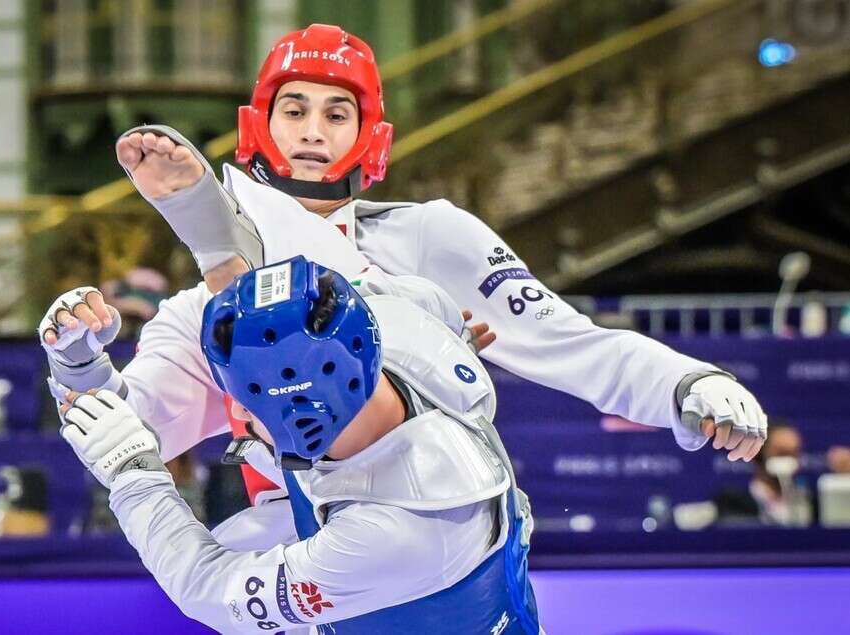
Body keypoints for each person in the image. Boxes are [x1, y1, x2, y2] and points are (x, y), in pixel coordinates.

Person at [40, 24, 768, 507]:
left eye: (336, 113)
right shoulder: (201, 309)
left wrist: (686, 379)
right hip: (295, 558)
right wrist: (78, 365)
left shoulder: (429, 236)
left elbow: (571, 343)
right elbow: (133, 437)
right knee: (238, 298)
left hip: (448, 528)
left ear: (368, 135)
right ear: (259, 125)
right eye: (293, 110)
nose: (313, 132)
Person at [57, 257, 541, 634]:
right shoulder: (403, 321)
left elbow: (207, 591)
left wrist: (134, 476)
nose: (238, 416)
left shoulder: (398, 531)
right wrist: (82, 370)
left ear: (308, 411)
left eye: (247, 401)